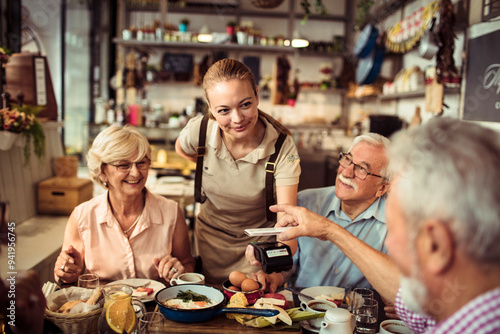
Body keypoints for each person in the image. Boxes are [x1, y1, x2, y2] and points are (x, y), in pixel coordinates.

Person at [273, 118, 500, 333]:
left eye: (398, 228)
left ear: (436, 244)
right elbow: (407, 302)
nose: (388, 241)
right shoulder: (441, 312)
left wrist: (329, 230)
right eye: (348, 160)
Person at [175, 58, 301, 283]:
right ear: (210, 107)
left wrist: (276, 267)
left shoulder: (282, 147)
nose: (237, 119)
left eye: (245, 104)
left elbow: (286, 226)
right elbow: (182, 149)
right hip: (210, 243)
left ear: (256, 94)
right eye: (224, 110)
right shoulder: (200, 131)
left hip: (258, 249)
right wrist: (209, 165)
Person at [247, 133, 392, 294]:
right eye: (348, 160)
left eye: (362, 169)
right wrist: (274, 278)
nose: (346, 173)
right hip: (303, 308)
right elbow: (290, 265)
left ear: (382, 188)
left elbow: (398, 283)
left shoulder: (397, 223)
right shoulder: (306, 203)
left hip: (355, 314)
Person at [54, 125, 195, 285]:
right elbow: (67, 274)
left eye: (141, 163)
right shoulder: (82, 216)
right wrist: (66, 271)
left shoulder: (171, 212)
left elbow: (188, 264)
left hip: (155, 308)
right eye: (123, 165)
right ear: (102, 171)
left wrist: (179, 270)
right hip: (101, 307)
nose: (135, 173)